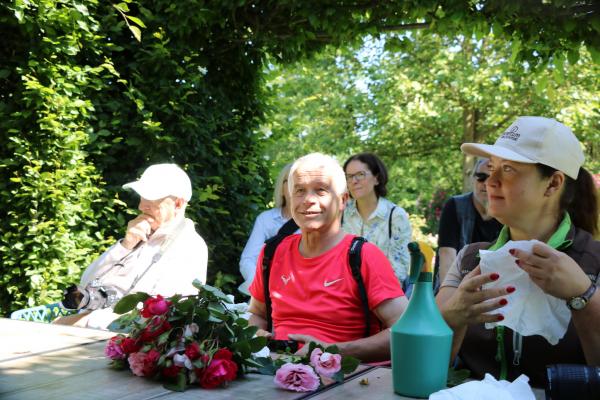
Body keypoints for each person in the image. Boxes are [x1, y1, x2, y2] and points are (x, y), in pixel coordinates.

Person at [436, 116, 600, 387]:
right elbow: (420, 369)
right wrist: (453, 316)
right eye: (492, 167)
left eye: (508, 169)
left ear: (553, 183)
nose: (490, 181)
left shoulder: (594, 262)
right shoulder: (469, 259)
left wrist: (584, 296)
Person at [248, 153, 408, 362]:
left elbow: (407, 331)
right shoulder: (271, 253)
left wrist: (335, 351)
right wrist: (256, 335)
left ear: (342, 201)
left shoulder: (363, 256)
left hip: (345, 378)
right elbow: (257, 314)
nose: (308, 200)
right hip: (272, 373)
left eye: (320, 190)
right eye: (299, 191)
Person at [56, 163, 208, 329]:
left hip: (121, 336)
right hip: (95, 330)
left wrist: (85, 321)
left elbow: (159, 314)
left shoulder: (190, 247)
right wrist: (125, 245)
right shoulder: (140, 233)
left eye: (152, 199)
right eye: (142, 197)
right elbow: (85, 283)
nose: (141, 206)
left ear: (177, 204)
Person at [342, 153, 412, 288]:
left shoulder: (395, 216)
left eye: (360, 174)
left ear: (377, 178)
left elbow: (398, 271)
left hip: (383, 292)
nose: (354, 181)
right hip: (343, 292)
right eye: (349, 176)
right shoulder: (341, 213)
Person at [437, 158, 502, 283]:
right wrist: (451, 292)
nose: (486, 183)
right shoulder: (455, 206)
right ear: (473, 179)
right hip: (456, 282)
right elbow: (447, 257)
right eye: (481, 177)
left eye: (493, 178)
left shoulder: (508, 213)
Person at [238, 164, 293, 295]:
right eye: (290, 180)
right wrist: (263, 286)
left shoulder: (317, 222)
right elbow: (248, 259)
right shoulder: (266, 219)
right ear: (281, 187)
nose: (295, 185)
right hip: (266, 294)